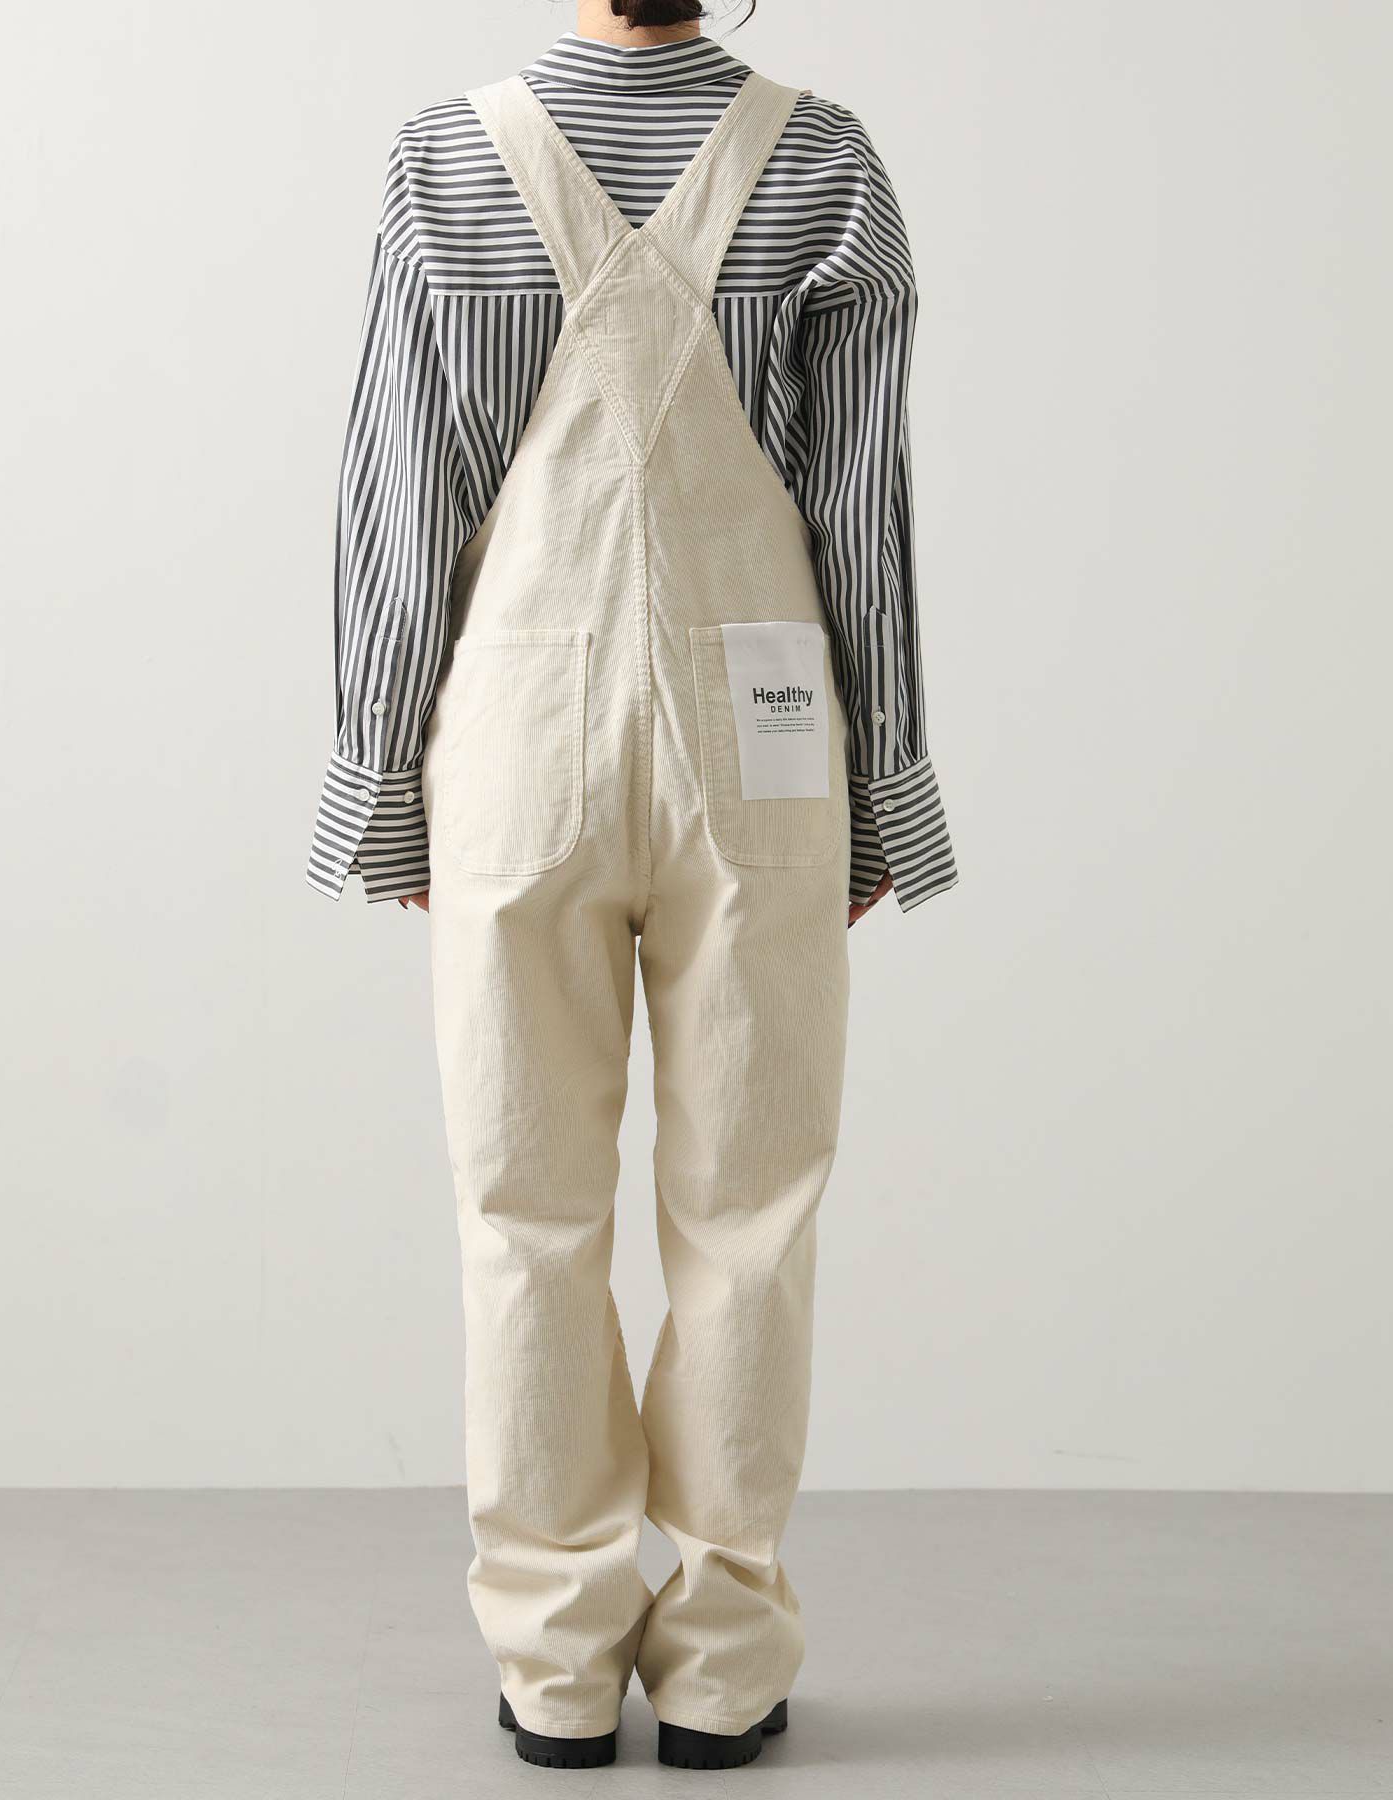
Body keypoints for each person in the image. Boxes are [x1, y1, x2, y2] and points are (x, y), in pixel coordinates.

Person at [305, 0, 958, 1772]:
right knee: (751, 1215)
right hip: (765, 739)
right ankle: (724, 1663)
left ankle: (557, 1667)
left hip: (518, 739)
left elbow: (402, 504)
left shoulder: (447, 161)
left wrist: (380, 782)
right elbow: (860, 518)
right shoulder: (825, 162)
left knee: (525, 1208)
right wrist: (886, 795)